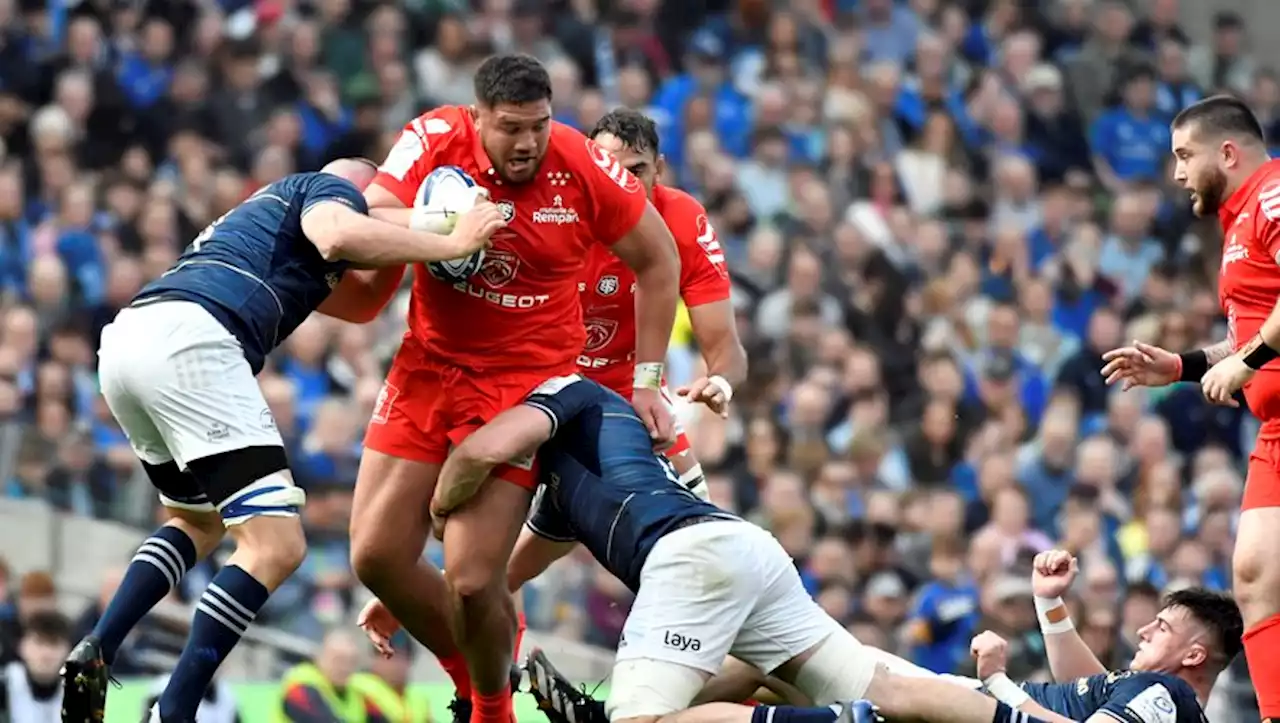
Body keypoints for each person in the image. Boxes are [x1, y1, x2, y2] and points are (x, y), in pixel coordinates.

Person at [60, 159, 505, 723]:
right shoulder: (325, 189)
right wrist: (448, 240)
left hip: (130, 340)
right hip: (195, 341)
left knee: (197, 521)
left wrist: (416, 243)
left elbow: (362, 300)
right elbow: (340, 230)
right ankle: (175, 710)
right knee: (277, 545)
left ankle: (98, 645)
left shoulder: (266, 221)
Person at [360, 373, 1056, 723]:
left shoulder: (568, 389)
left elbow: (484, 448)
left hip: (691, 558)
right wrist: (410, 595)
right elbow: (499, 578)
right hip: (744, 549)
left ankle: (825, 722)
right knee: (890, 689)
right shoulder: (572, 483)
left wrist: (441, 503)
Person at [348, 53, 682, 723]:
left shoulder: (581, 162)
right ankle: (471, 674)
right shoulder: (433, 139)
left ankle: (491, 707)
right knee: (377, 556)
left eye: (540, 124)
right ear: (476, 119)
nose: (528, 142)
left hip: (523, 384)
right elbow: (370, 214)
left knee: (473, 581)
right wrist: (438, 228)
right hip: (427, 366)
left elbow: (659, 258)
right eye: (510, 128)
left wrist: (648, 380)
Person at [526, 549, 1236, 723]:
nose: (1145, 627)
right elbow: (1095, 689)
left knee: (785, 682)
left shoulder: (1173, 696)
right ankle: (613, 714)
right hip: (970, 699)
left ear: (1195, 654)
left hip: (969, 708)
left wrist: (997, 683)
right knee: (771, 660)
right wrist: (1053, 608)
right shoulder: (1145, 689)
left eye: (1164, 626)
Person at [1100, 93, 1280, 723]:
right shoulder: (1237, 227)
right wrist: (1182, 366)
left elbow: (1255, 347)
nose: (1177, 172)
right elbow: (1249, 336)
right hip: (1275, 428)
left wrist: (1249, 362)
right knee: (1255, 576)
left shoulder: (1273, 194)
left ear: (1227, 152)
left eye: (1184, 155)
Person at [581, 108, 747, 493]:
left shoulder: (685, 220)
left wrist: (720, 381)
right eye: (607, 168)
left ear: (660, 169)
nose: (620, 183)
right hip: (548, 380)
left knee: (697, 505)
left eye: (635, 170)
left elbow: (725, 345)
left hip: (635, 389)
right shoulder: (562, 211)